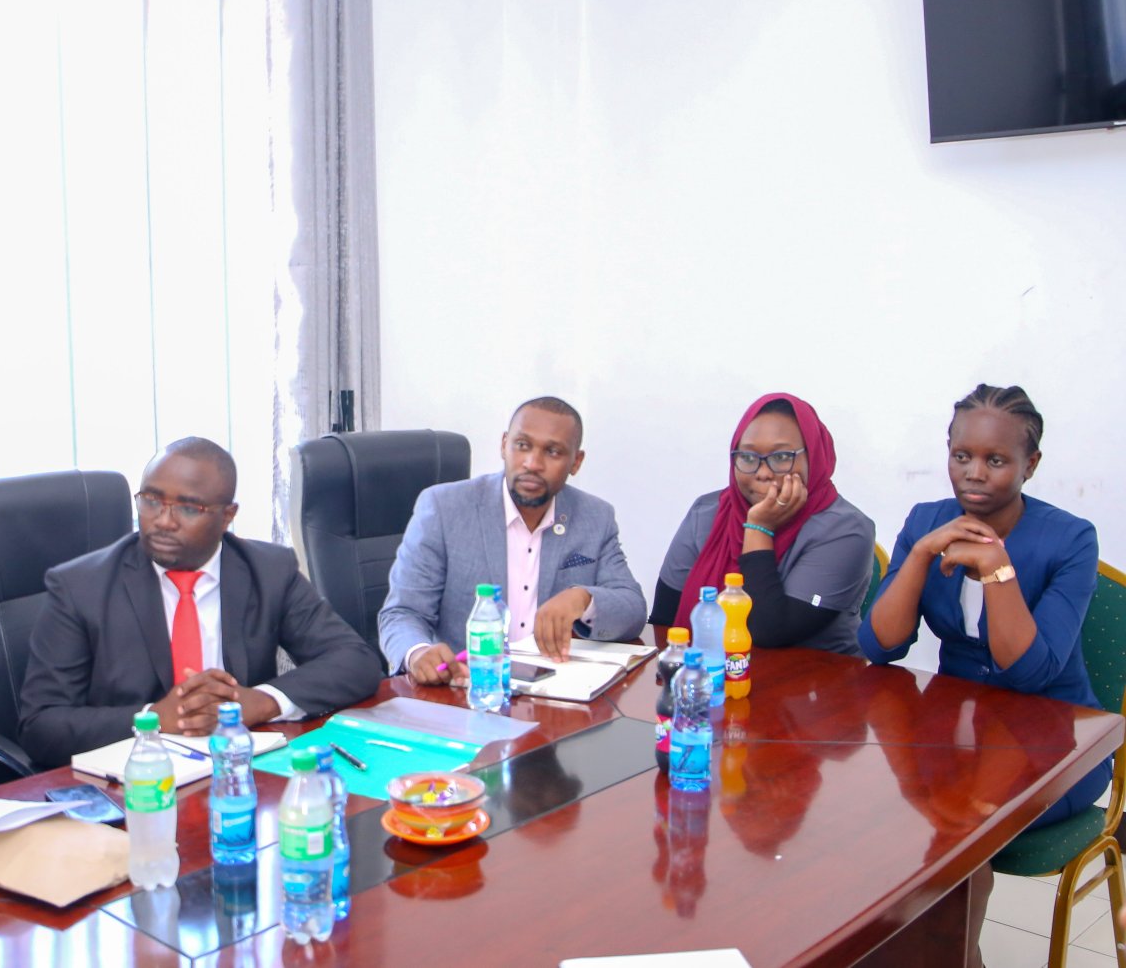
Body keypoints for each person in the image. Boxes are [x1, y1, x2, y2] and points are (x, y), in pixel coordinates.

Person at [860, 384, 1106, 968]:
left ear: (1030, 464)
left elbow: (1032, 674)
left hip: (1055, 742)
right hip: (958, 731)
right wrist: (921, 555)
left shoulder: (1070, 539)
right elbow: (879, 646)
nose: (974, 473)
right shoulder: (927, 520)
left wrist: (998, 569)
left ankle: (954, 957)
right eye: (961, 456)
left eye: (996, 460)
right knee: (877, 816)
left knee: (957, 827)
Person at [18, 437, 384, 768]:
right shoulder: (80, 587)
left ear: (227, 516)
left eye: (189, 509)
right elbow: (40, 726)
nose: (163, 521)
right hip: (133, 777)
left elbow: (355, 661)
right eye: (151, 501)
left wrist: (260, 702)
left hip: (237, 767)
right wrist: (153, 718)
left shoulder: (268, 571)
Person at [377, 396, 646, 685]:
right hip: (465, 687)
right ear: (504, 445)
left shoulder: (595, 517)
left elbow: (633, 609)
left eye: (553, 452)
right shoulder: (444, 508)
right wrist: (417, 652)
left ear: (576, 462)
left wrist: (583, 598)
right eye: (522, 445)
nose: (533, 463)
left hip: (555, 689)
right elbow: (402, 613)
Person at [649, 393, 876, 655]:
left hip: (815, 677)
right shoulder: (708, 513)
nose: (763, 472)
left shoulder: (846, 531)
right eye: (748, 457)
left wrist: (758, 528)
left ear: (814, 455)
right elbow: (665, 620)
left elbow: (770, 630)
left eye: (781, 457)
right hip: (707, 672)